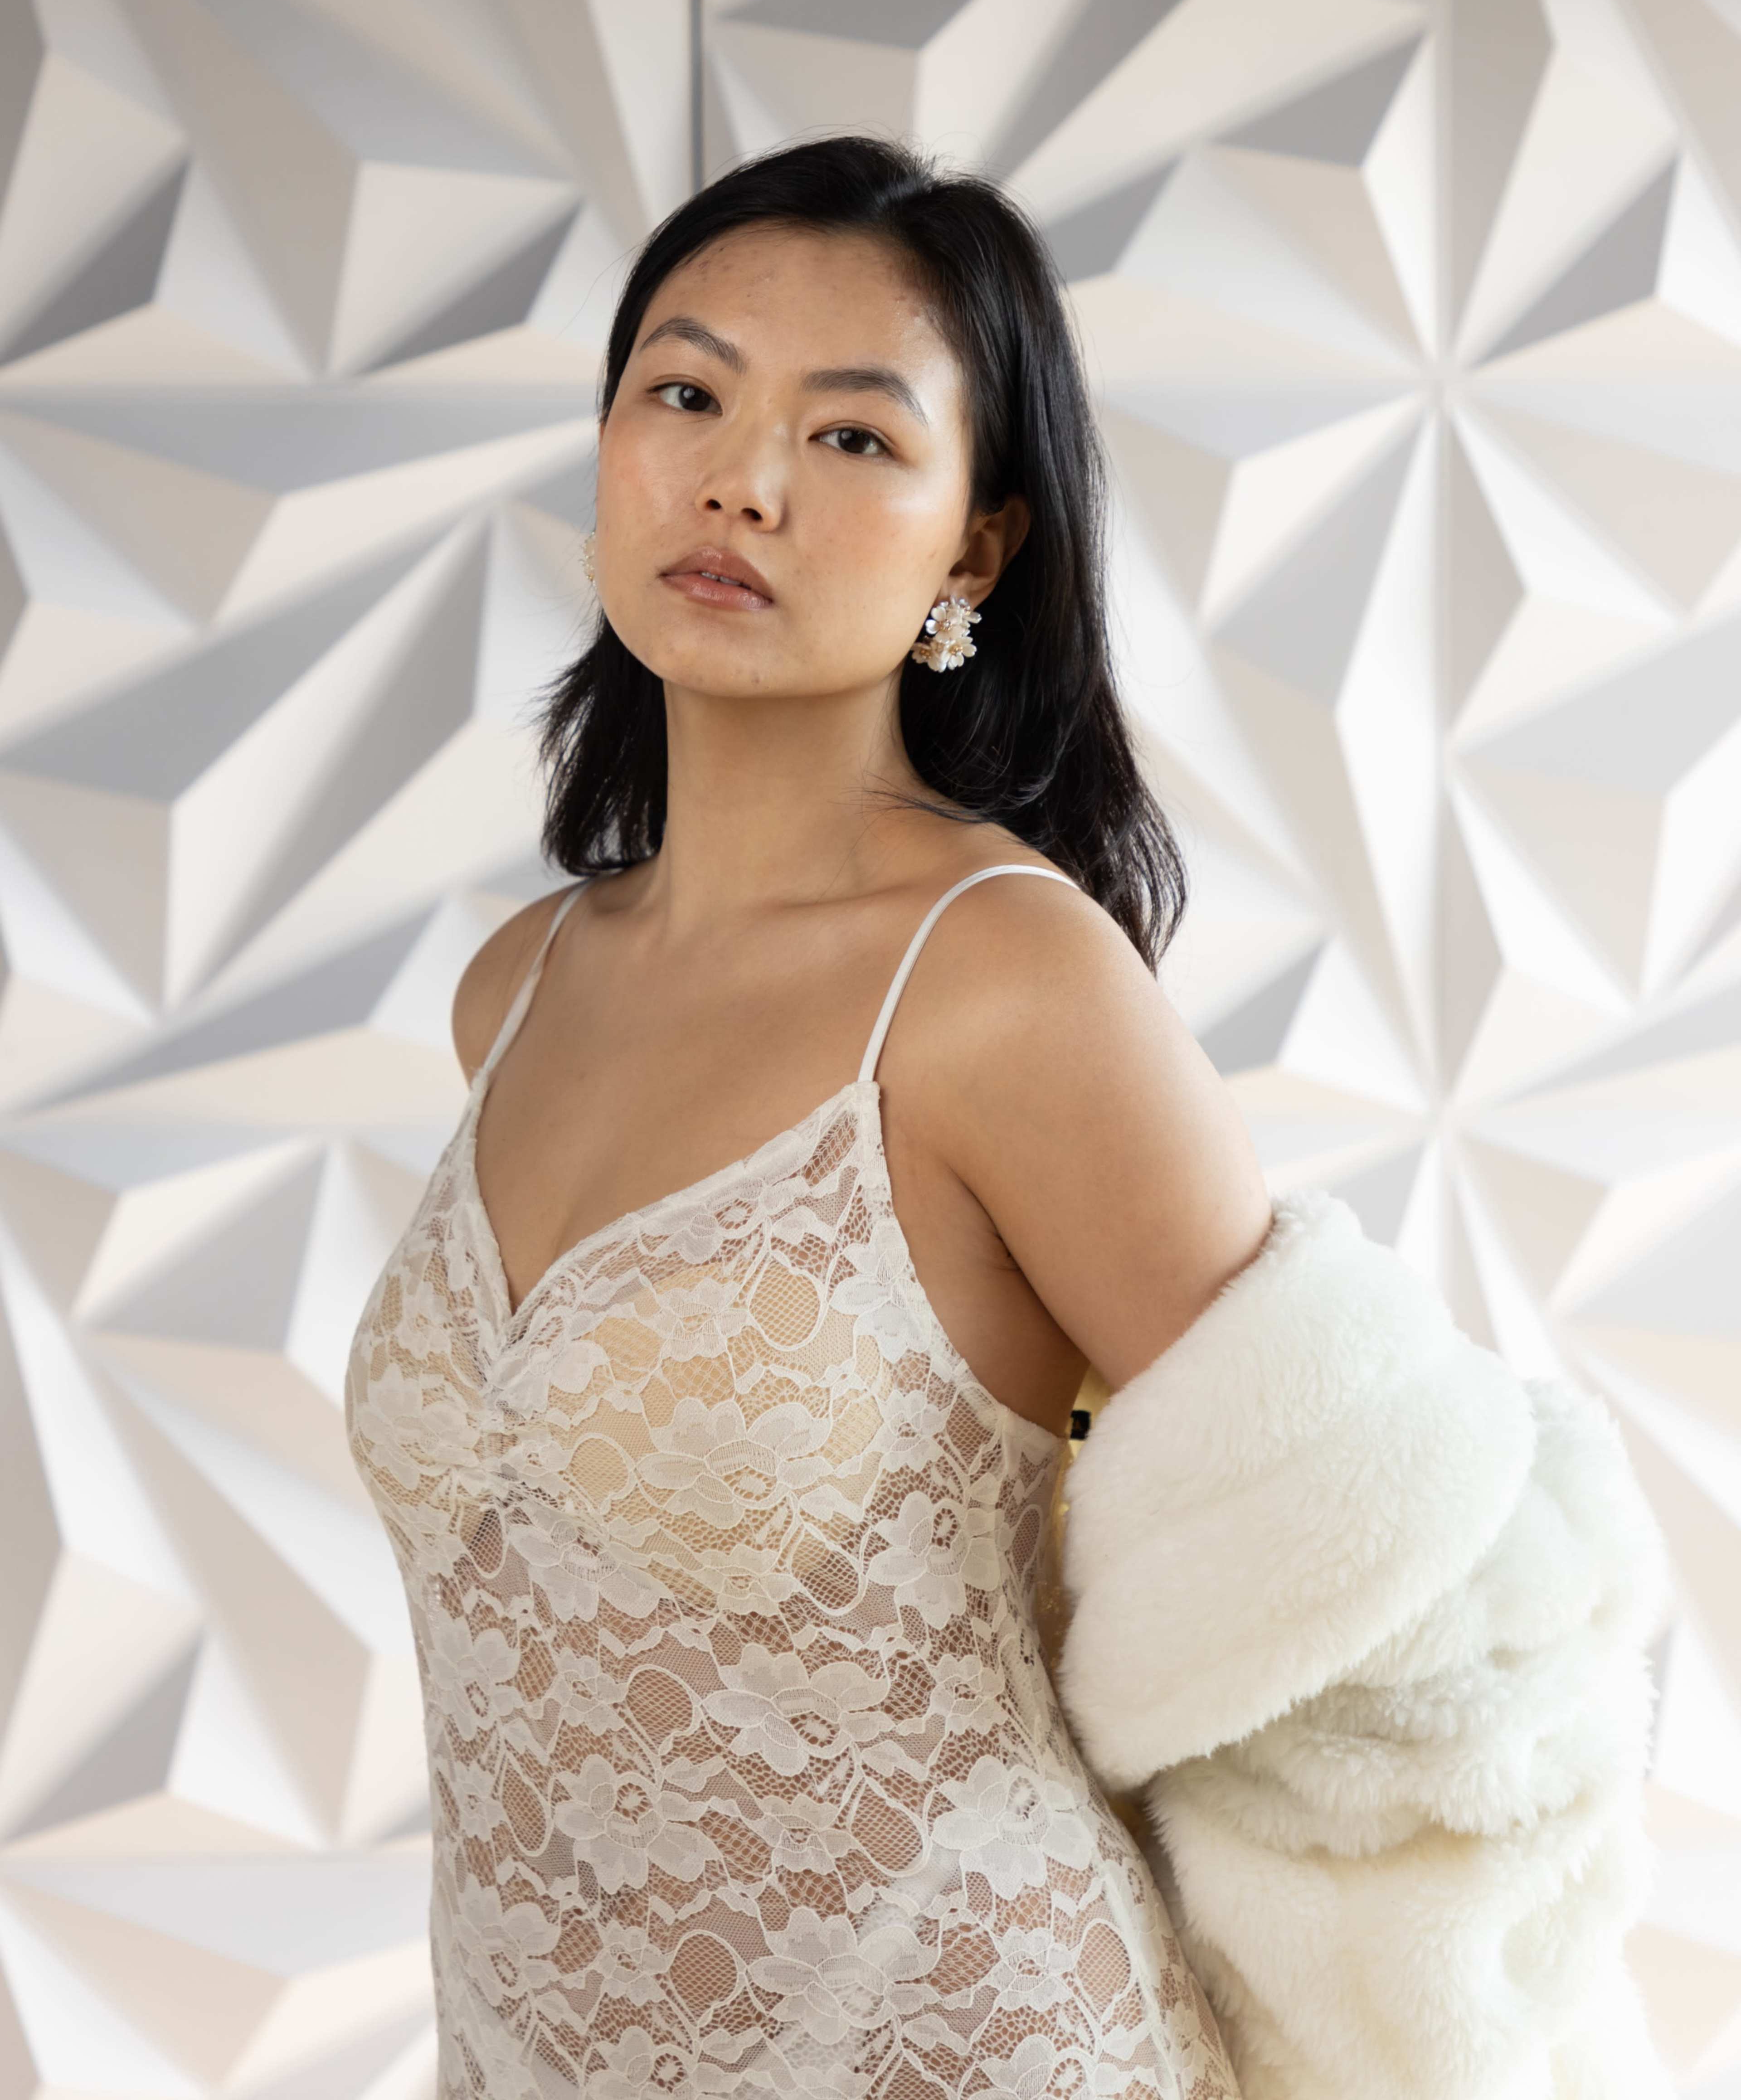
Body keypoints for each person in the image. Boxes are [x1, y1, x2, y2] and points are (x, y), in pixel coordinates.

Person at [344, 133, 1674, 2100]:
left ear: (976, 548)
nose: (745, 481)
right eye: (687, 395)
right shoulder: (517, 985)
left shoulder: (1003, 987)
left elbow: (1387, 1578)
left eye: (854, 437)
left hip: (981, 2046)